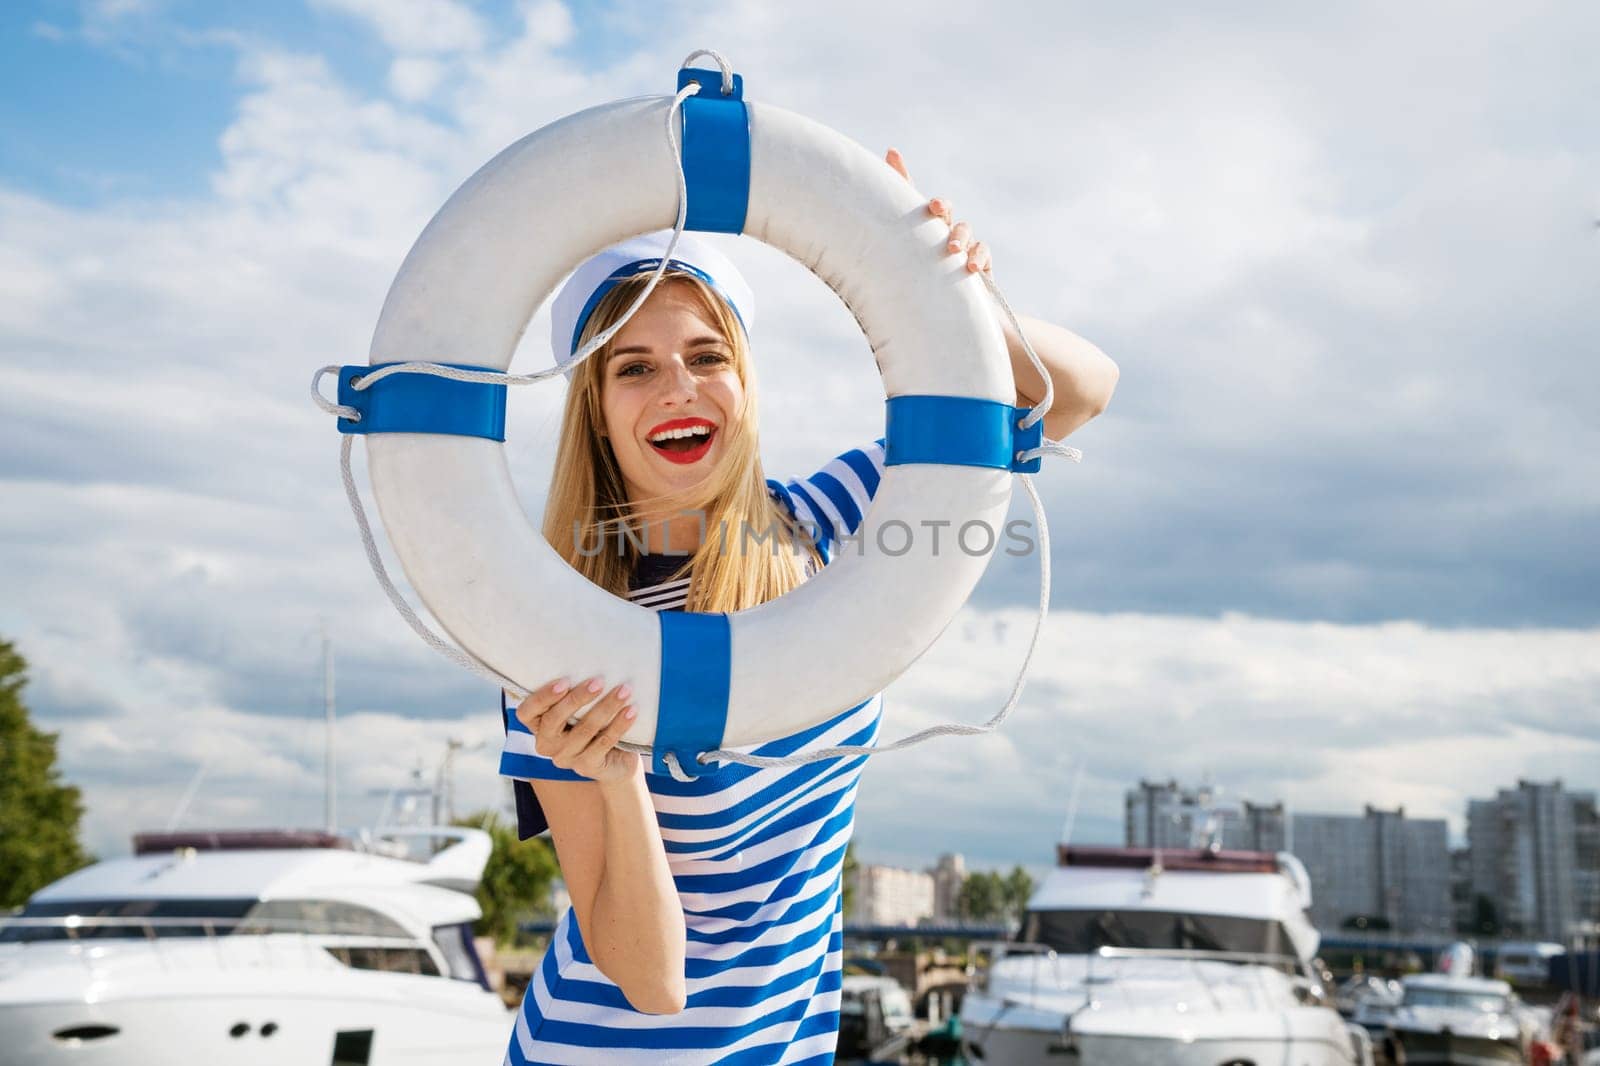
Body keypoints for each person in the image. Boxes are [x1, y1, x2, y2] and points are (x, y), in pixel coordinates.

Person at [497, 149, 1120, 1064]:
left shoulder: (830, 521)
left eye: (706, 356)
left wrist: (954, 293)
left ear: (744, 383)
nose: (678, 386)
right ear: (595, 409)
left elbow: (1081, 394)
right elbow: (653, 979)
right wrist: (619, 774)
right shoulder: (559, 629)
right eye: (633, 368)